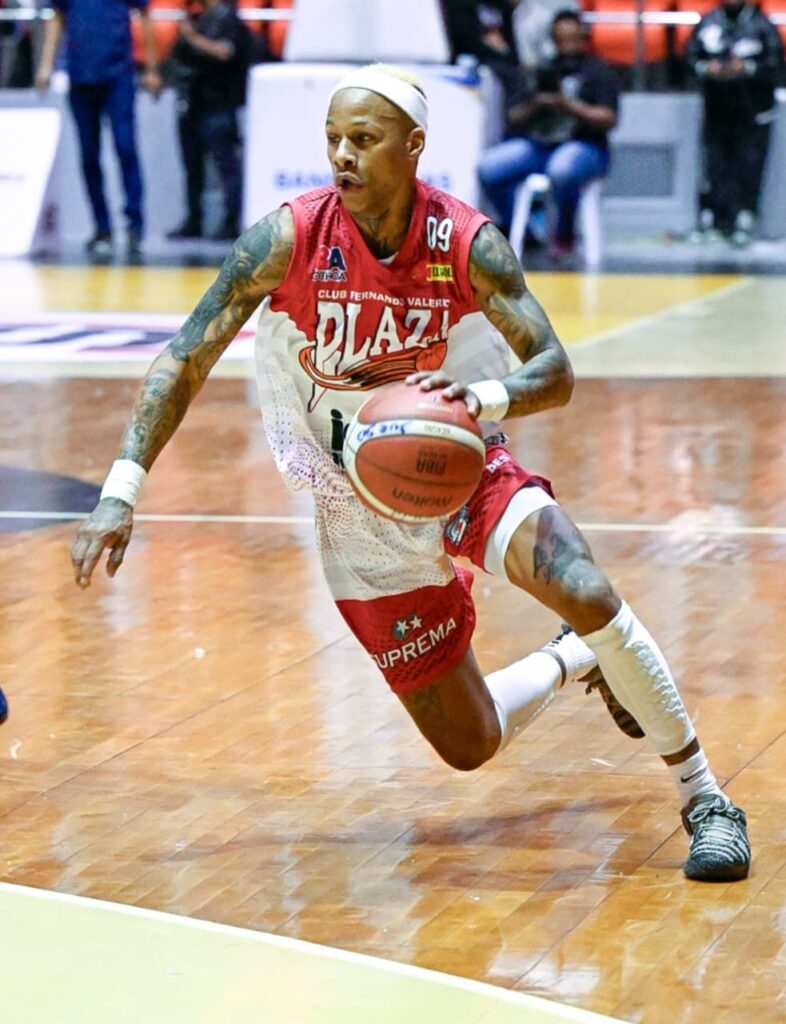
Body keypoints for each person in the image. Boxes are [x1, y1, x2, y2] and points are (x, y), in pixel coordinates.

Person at [71, 63, 750, 883]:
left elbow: (555, 371)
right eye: (333, 139)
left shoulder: (466, 241)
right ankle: (574, 658)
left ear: (415, 145)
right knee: (469, 744)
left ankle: (707, 799)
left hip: (457, 467)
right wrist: (121, 490)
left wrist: (483, 396)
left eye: (363, 139)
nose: (342, 155)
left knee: (586, 586)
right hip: (357, 508)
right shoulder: (285, 239)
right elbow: (185, 358)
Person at [477, 9, 619, 258]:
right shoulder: (541, 70)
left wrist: (569, 105)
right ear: (553, 39)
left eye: (572, 38)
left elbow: (609, 118)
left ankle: (564, 233)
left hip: (586, 146)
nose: (567, 45)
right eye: (561, 39)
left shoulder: (599, 70)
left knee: (562, 169)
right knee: (489, 168)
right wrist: (537, 104)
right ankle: (526, 231)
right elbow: (514, 117)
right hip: (540, 145)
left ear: (583, 36)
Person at [35, 0, 162, 257]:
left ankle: (135, 225)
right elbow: (57, 17)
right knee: (89, 155)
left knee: (126, 147)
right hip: (81, 75)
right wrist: (46, 64)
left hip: (118, 75)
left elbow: (145, 15)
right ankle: (101, 227)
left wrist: (151, 68)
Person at [685, 0, 784, 248]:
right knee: (714, 165)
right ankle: (715, 221)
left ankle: (744, 219)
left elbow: (775, 64)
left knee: (748, 165)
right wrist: (706, 68)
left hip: (753, 111)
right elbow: (688, 58)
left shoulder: (762, 26)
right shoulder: (708, 23)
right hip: (717, 110)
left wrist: (748, 68)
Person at [166, 0, 252, 242]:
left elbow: (224, 52)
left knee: (226, 167)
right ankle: (194, 219)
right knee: (192, 168)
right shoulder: (197, 19)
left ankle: (231, 221)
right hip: (193, 104)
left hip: (219, 105)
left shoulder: (229, 20)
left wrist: (193, 38)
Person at [442, 0, 524, 101]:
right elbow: (466, 38)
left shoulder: (501, 6)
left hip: (499, 57)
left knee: (518, 75)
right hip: (471, 57)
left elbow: (509, 38)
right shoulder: (459, 5)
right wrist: (495, 52)